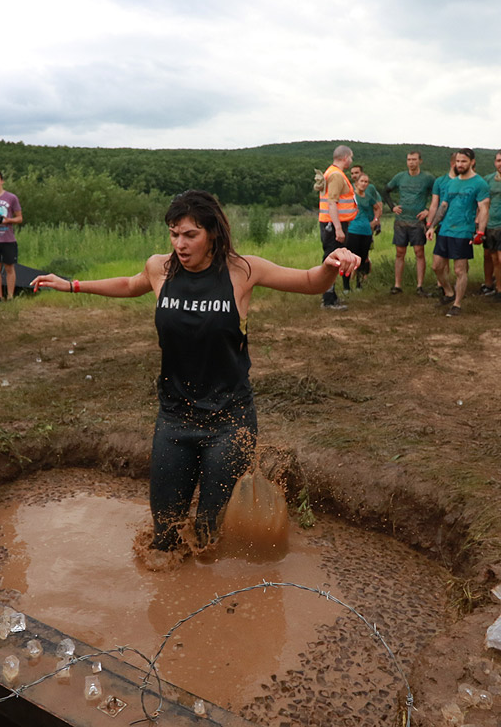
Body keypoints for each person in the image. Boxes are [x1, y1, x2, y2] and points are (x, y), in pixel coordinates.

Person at [31, 190, 360, 568]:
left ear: (213, 235)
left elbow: (307, 281)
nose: (180, 244)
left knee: (208, 535)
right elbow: (127, 285)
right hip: (174, 417)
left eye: (190, 235)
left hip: (229, 420)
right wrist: (72, 284)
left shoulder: (242, 270)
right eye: (174, 234)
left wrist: (332, 264)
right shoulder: (161, 269)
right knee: (165, 537)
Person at [425, 149, 490, 317]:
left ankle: (457, 304)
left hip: (463, 231)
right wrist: (432, 226)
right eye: (458, 161)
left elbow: (484, 209)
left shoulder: (480, 183)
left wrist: (480, 232)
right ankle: (448, 292)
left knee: (460, 270)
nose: (460, 165)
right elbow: (443, 206)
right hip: (445, 229)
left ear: (472, 162)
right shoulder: (452, 183)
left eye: (464, 162)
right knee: (436, 266)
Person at [384, 151, 436, 296]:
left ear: (420, 161)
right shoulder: (400, 177)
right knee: (400, 253)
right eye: (408, 160)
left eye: (414, 159)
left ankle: (420, 285)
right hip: (401, 220)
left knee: (419, 252)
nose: (411, 162)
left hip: (418, 221)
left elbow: (437, 195)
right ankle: (397, 285)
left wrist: (428, 210)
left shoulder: (427, 178)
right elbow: (386, 190)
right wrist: (392, 206)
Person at [317, 145, 358, 309]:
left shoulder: (331, 172)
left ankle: (331, 296)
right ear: (345, 157)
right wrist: (338, 229)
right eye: (351, 157)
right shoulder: (336, 175)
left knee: (334, 259)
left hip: (331, 223)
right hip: (333, 225)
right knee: (332, 260)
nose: (351, 160)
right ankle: (328, 299)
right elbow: (332, 203)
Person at [0, 170, 23, 301]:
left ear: (2, 181)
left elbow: (19, 218)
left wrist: (8, 220)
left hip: (8, 239)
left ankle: (10, 296)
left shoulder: (11, 198)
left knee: (9, 267)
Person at [344, 172, 381, 291]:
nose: (364, 184)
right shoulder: (351, 195)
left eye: (366, 182)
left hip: (366, 231)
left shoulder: (369, 197)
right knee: (350, 259)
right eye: (362, 181)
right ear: (356, 183)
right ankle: (346, 286)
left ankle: (359, 284)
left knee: (362, 258)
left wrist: (375, 221)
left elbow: (378, 208)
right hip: (353, 230)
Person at [484, 151, 501, 299]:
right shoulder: (488, 180)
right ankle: (498, 289)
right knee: (494, 258)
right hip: (491, 224)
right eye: (499, 161)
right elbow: (483, 203)